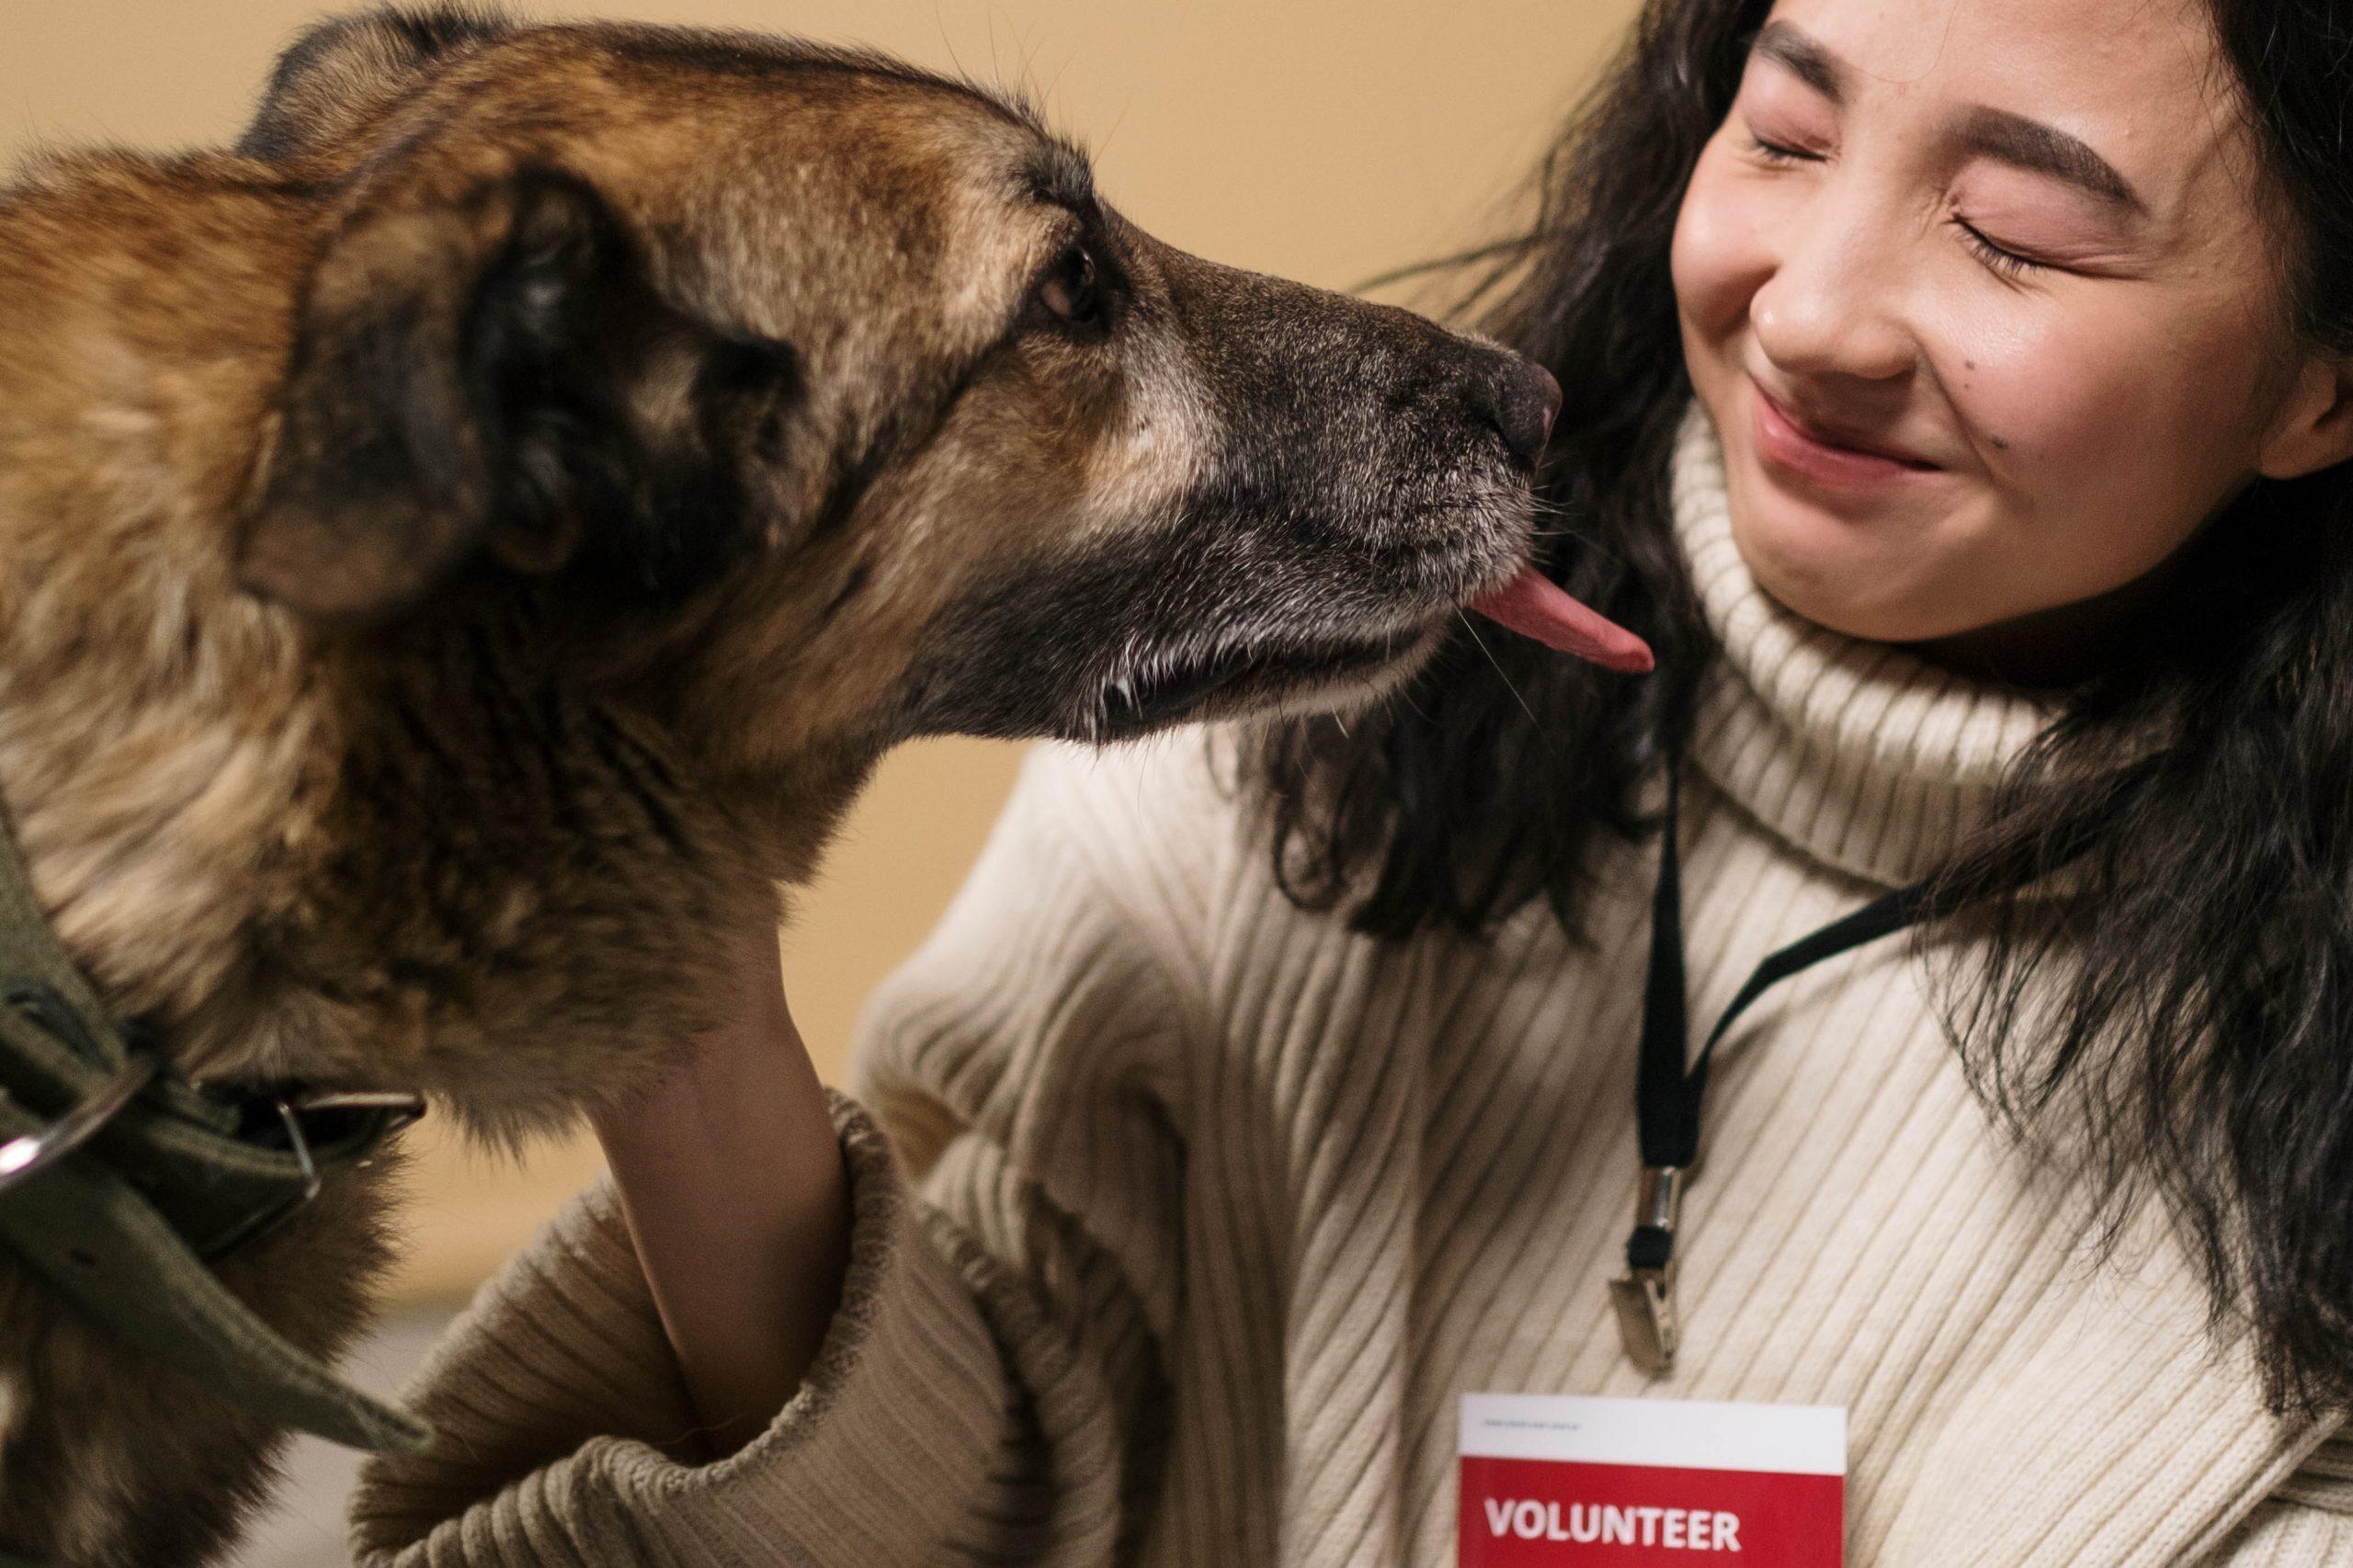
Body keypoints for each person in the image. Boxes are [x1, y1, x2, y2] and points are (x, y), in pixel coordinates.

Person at [347, 0, 2353, 1562]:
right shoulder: (1285, 736)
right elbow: (973, 1512)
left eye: (2014, 240)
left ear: (2316, 375)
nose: (1808, 313)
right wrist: (666, 957)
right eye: (1782, 128)